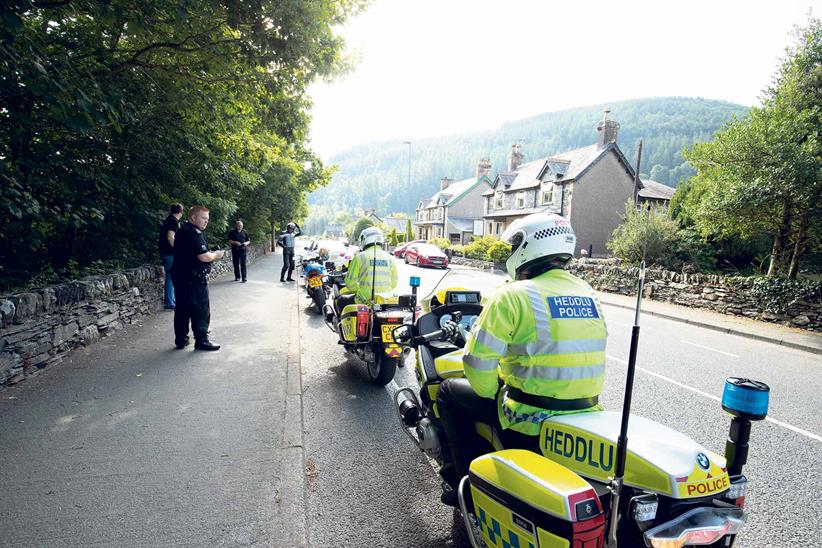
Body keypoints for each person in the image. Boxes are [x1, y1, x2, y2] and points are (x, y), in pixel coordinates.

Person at [436, 212, 607, 504]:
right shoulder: (588, 294)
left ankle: (464, 482)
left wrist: (494, 392)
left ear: (529, 247)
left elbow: (477, 364)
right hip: (585, 415)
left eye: (514, 246)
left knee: (447, 392)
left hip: (529, 418)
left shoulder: (513, 295)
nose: (511, 253)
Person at [171, 205, 225, 351]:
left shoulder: (183, 230)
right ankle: (202, 340)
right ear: (193, 217)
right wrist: (216, 255)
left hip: (181, 276)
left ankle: (181, 339)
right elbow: (204, 256)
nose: (206, 221)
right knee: (200, 308)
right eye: (203, 218)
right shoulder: (193, 232)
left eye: (207, 219)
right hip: (193, 278)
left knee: (182, 308)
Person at [335, 227, 398, 312]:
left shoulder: (359, 257)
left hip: (364, 300)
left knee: (341, 300)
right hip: (385, 301)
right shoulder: (390, 258)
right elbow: (394, 283)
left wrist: (361, 290)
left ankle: (342, 325)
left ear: (364, 240)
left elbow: (350, 284)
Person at [158, 203, 183, 309]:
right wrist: (178, 249)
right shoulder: (173, 221)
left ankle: (172, 300)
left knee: (171, 276)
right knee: (171, 276)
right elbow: (170, 237)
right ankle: (169, 302)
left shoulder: (168, 220)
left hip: (165, 251)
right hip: (170, 253)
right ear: (180, 212)